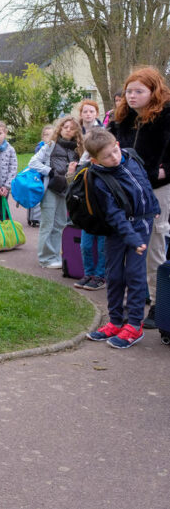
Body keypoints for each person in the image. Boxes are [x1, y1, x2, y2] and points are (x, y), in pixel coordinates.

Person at [83, 128, 160, 348]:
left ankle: (134, 325)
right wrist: (133, 239)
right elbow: (114, 215)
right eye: (107, 157)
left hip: (142, 223)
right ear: (95, 159)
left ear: (117, 143)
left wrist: (154, 206)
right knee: (114, 275)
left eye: (114, 151)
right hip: (119, 229)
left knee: (135, 276)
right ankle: (116, 321)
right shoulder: (98, 179)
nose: (114, 158)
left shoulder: (131, 157)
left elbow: (145, 183)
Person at [107, 66, 170, 329]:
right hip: (124, 191)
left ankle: (158, 303)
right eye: (129, 91)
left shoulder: (166, 117)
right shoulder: (122, 118)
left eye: (138, 91)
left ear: (153, 91)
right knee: (122, 245)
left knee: (154, 243)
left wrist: (161, 170)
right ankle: (125, 303)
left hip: (156, 190)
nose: (131, 96)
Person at [29, 116, 84, 269]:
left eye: (71, 128)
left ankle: (54, 255)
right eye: (65, 127)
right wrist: (50, 171)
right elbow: (33, 162)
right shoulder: (51, 145)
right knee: (47, 223)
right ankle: (45, 259)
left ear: (76, 132)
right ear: (60, 128)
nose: (68, 130)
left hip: (65, 190)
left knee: (60, 224)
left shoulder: (78, 149)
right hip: (51, 189)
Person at [75, 100, 107, 291]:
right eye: (85, 111)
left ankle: (100, 275)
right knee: (86, 245)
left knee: (102, 245)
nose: (88, 114)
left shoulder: (102, 133)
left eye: (91, 111)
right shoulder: (79, 136)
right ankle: (88, 273)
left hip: (102, 205)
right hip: (87, 204)